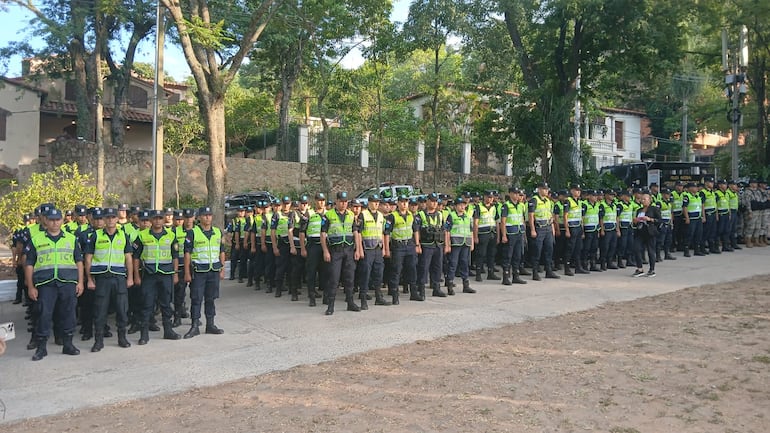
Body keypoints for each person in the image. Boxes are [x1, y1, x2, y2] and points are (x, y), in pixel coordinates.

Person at [24, 208, 84, 361]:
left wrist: (80, 282)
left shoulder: (71, 238)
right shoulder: (37, 239)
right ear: (46, 221)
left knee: (69, 314)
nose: (55, 223)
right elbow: (29, 264)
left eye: (57, 220)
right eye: (51, 220)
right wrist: (30, 286)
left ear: (62, 220)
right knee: (44, 314)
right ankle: (41, 348)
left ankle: (68, 345)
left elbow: (79, 261)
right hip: (46, 283)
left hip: (68, 282)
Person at [84, 207, 133, 351]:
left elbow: (128, 258)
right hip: (102, 279)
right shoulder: (96, 235)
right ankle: (98, 341)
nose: (110, 220)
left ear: (117, 219)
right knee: (100, 310)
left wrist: (130, 277)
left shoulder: (123, 236)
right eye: (108, 217)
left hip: (119, 278)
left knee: (122, 309)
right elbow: (88, 258)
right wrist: (90, 279)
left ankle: (122, 338)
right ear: (104, 219)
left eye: (113, 217)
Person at [132, 210, 181, 344]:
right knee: (147, 304)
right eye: (155, 218)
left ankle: (168, 331)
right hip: (149, 275)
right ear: (151, 220)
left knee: (166, 304)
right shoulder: (142, 235)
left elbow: (175, 257)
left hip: (166, 275)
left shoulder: (171, 235)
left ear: (164, 219)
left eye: (160, 218)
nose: (158, 221)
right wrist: (136, 275)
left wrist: (175, 274)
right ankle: (144, 334)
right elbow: (135, 257)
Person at [182, 206, 226, 338]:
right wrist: (187, 273)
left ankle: (210, 325)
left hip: (213, 271)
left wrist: (222, 269)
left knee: (211, 298)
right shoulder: (192, 232)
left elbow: (222, 251)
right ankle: (194, 326)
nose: (207, 217)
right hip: (198, 271)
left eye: (209, 215)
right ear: (199, 217)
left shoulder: (218, 232)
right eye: (204, 215)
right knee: (196, 299)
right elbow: (187, 253)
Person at [320, 192, 361, 315]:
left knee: (349, 278)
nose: (343, 204)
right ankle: (330, 305)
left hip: (348, 249)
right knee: (334, 278)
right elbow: (323, 234)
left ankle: (350, 303)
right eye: (341, 201)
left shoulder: (351, 215)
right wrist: (325, 251)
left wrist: (358, 249)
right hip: (335, 250)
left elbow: (355, 233)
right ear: (336, 201)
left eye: (345, 201)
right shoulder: (328, 215)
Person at [354, 194, 390, 308]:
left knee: (378, 274)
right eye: (374, 202)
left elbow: (383, 233)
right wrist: (359, 249)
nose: (376, 204)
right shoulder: (363, 215)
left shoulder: (380, 215)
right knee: (365, 274)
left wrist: (384, 248)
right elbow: (358, 232)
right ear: (369, 203)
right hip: (367, 249)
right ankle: (363, 299)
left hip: (378, 249)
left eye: (378, 202)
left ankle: (378, 297)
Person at [385, 195, 421, 302]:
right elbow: (387, 233)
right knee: (396, 270)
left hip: (409, 245)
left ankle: (413, 293)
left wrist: (417, 245)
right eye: (402, 202)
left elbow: (415, 230)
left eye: (406, 202)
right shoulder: (392, 216)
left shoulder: (411, 215)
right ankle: (395, 295)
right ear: (398, 203)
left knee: (412, 269)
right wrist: (387, 249)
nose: (404, 204)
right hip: (398, 246)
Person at [415, 193, 446, 296]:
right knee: (424, 267)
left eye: (436, 201)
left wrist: (446, 244)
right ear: (427, 201)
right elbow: (416, 230)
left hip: (438, 244)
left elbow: (443, 229)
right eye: (432, 201)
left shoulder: (440, 214)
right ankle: (421, 289)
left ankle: (436, 288)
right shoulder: (420, 215)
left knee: (438, 267)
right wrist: (417, 244)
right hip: (426, 244)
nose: (434, 203)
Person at [299, 194, 327, 307]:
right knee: (311, 272)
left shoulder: (329, 214)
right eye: (319, 200)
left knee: (326, 272)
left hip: (325, 245)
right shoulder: (308, 214)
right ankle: (312, 297)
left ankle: (326, 297)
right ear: (315, 201)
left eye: (323, 200)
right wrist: (303, 248)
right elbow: (301, 232)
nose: (321, 202)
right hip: (312, 245)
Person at [444, 196, 475, 294]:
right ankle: (449, 285)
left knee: (465, 264)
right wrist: (447, 244)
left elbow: (471, 231)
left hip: (466, 243)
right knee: (453, 264)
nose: (462, 207)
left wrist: (472, 243)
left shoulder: (468, 217)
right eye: (460, 205)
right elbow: (447, 230)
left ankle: (466, 285)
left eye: (464, 205)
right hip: (455, 243)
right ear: (456, 206)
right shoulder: (452, 216)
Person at [528, 182, 560, 281]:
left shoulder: (548, 201)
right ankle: (535, 272)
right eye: (544, 189)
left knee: (549, 249)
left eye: (547, 189)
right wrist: (532, 229)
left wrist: (553, 228)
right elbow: (531, 216)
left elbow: (551, 215)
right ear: (539, 189)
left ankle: (549, 271)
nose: (546, 191)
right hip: (539, 227)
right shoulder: (534, 200)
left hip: (548, 227)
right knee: (537, 250)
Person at [499, 187, 527, 284]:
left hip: (519, 232)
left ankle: (516, 276)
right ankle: (506, 277)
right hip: (510, 233)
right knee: (508, 255)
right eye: (514, 194)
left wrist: (524, 233)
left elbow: (522, 219)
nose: (516, 196)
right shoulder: (506, 205)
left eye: (518, 194)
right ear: (510, 194)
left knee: (518, 255)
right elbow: (503, 221)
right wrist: (504, 235)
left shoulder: (521, 205)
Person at [473, 191, 500, 282]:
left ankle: (491, 272)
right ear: (484, 197)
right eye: (488, 197)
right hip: (482, 233)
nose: (490, 199)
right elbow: (475, 223)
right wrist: (475, 236)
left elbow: (496, 221)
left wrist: (498, 235)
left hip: (492, 232)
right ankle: (478, 273)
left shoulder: (494, 207)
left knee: (492, 254)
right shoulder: (478, 207)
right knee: (481, 254)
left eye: (491, 197)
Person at [631, 194, 661, 277]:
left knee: (651, 251)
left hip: (650, 232)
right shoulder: (639, 210)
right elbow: (636, 220)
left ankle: (652, 269)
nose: (643, 201)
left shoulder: (654, 209)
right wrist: (636, 221)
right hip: (640, 232)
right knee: (636, 248)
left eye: (645, 199)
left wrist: (650, 219)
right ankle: (639, 268)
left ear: (649, 200)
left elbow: (659, 220)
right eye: (642, 199)